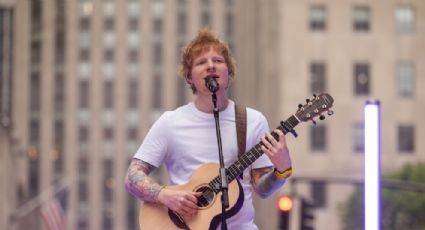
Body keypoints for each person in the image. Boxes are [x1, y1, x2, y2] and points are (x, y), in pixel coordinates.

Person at [125, 28, 292, 229]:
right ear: (189, 77)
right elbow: (132, 177)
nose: (211, 66)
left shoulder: (252, 120)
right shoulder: (170, 122)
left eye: (218, 61)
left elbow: (263, 190)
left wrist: (282, 170)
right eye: (201, 62)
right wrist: (164, 195)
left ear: (229, 72)